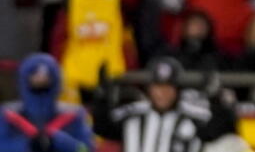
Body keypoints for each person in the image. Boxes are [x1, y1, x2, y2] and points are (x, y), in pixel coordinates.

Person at [91, 56, 230, 152]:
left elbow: (220, 130)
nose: (162, 93)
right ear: (149, 89)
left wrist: (216, 99)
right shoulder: (132, 114)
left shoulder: (193, 117)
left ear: (177, 90)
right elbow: (102, 127)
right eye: (157, 87)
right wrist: (102, 97)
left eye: (168, 88)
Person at [0, 53, 94, 152]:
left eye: (46, 77)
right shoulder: (7, 115)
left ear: (56, 80)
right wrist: (27, 145)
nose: (40, 80)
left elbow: (85, 149)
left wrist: (58, 140)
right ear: (24, 79)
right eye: (35, 76)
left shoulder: (74, 115)